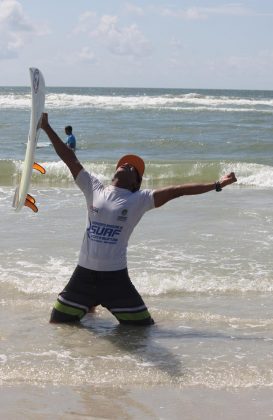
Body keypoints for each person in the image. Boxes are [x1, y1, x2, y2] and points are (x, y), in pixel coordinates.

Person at [40, 113, 237, 326]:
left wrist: (217, 184)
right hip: (83, 277)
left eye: (133, 168)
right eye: (124, 164)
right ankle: (90, 307)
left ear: (136, 183)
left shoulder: (140, 199)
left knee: (143, 329)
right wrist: (46, 127)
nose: (127, 165)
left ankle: (92, 306)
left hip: (116, 280)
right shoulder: (93, 187)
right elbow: (69, 158)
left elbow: (178, 191)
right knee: (58, 325)